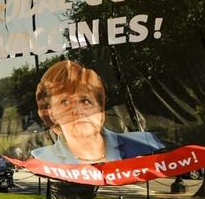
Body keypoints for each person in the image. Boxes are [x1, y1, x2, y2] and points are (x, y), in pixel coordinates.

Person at [31, 60, 163, 164]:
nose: (77, 110)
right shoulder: (42, 160)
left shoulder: (146, 144)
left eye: (85, 101)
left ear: (100, 110)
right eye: (65, 102)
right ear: (52, 114)